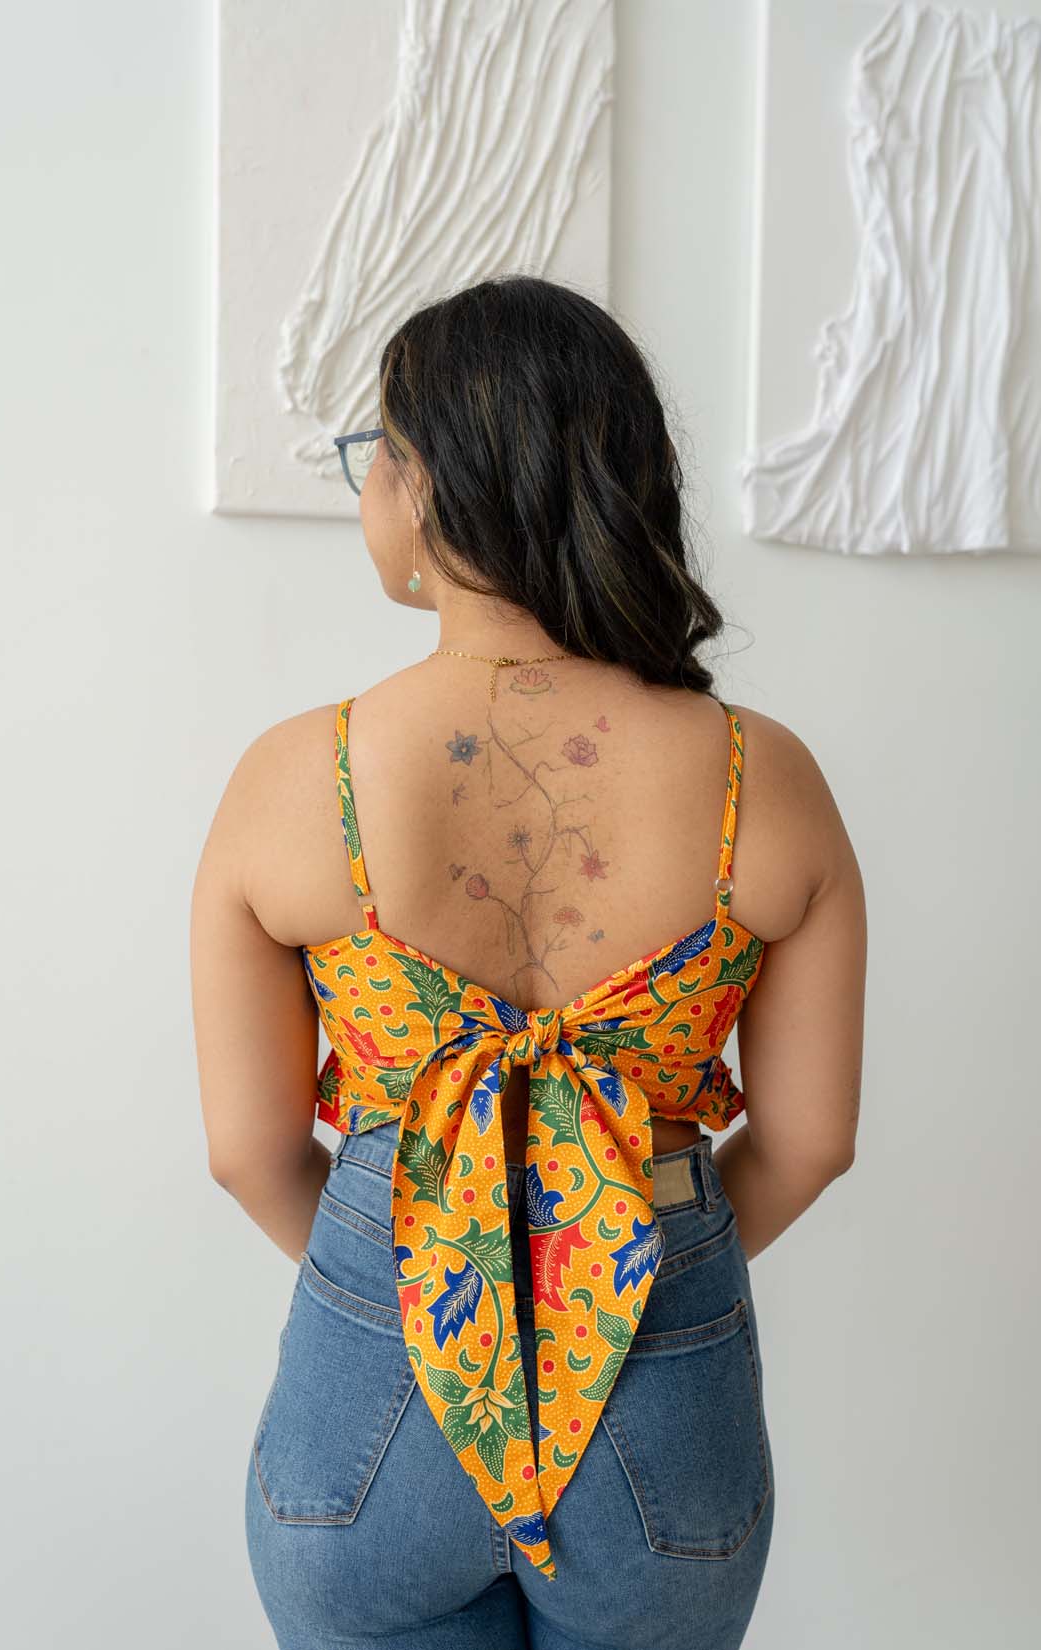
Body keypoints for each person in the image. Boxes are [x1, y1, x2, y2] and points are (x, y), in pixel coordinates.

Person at [190, 275, 866, 1649]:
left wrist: (437, 1267)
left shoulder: (294, 779)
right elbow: (810, 1144)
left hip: (382, 1371)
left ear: (428, 488)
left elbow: (249, 1153)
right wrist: (614, 1257)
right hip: (657, 1371)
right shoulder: (765, 779)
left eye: (375, 456)